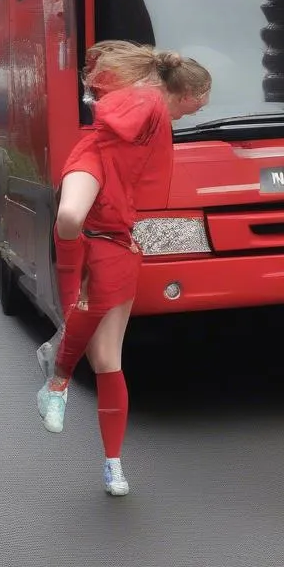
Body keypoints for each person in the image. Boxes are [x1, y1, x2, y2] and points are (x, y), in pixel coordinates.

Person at [35, 45, 211, 498]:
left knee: (109, 359)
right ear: (188, 92)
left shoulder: (158, 114)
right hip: (93, 165)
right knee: (71, 217)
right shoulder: (151, 99)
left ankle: (113, 464)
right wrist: (124, 106)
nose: (204, 108)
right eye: (203, 98)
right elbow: (109, 115)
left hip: (116, 219)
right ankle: (56, 382)